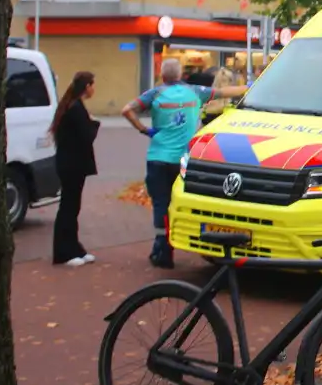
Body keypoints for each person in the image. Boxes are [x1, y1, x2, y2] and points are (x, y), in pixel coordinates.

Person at [121, 59, 249, 268]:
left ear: (163, 76)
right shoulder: (196, 92)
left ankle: (163, 249)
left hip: (158, 158)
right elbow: (228, 92)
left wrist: (144, 129)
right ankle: (173, 244)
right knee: (179, 203)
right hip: (183, 162)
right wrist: (252, 86)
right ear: (181, 75)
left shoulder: (155, 94)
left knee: (160, 204)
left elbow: (127, 109)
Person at [50, 72, 100, 267]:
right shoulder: (76, 109)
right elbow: (85, 136)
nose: (94, 89)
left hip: (69, 164)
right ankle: (63, 252)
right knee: (69, 207)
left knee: (72, 206)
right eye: (92, 85)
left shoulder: (71, 106)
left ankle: (74, 247)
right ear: (86, 86)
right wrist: (93, 123)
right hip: (72, 165)